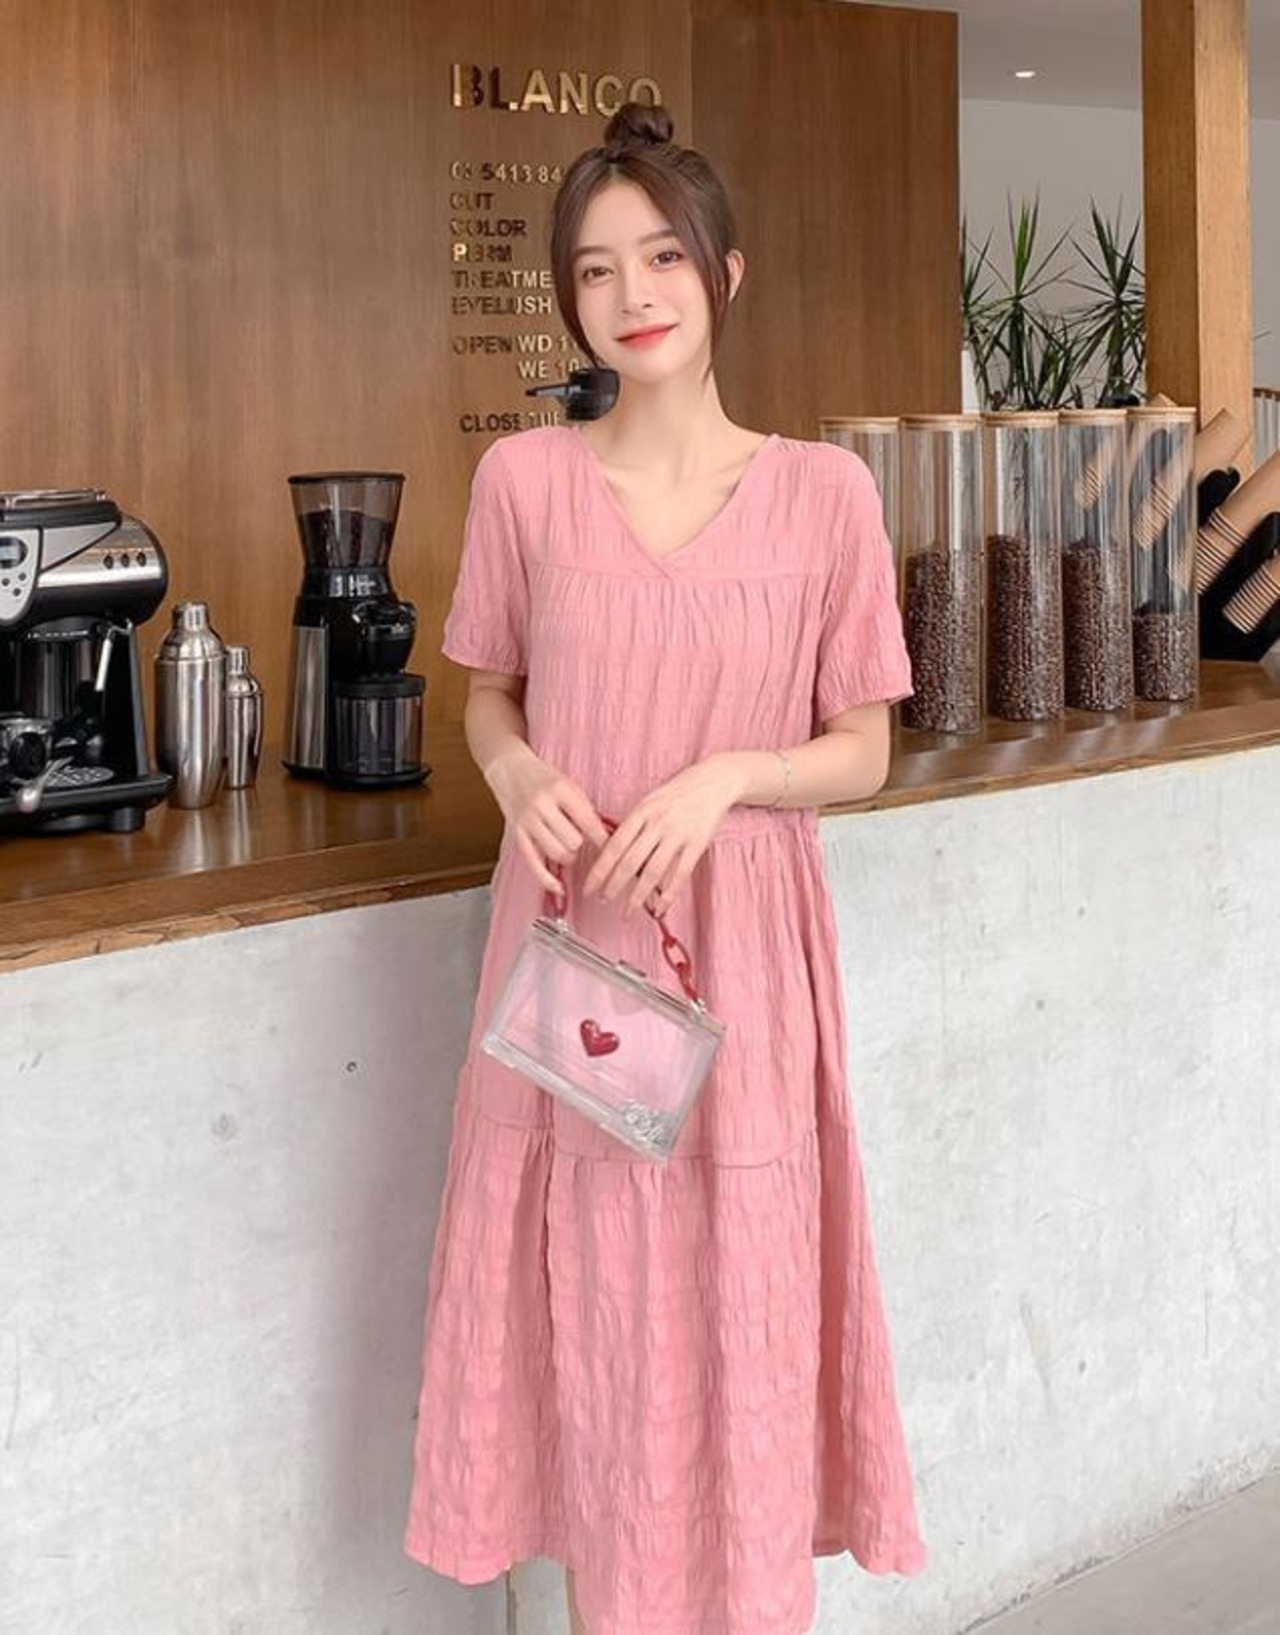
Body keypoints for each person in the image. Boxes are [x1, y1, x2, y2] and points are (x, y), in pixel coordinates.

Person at [404, 101, 926, 1635]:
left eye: (662, 259)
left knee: (737, 1290)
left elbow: (864, 748)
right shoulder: (525, 482)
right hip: (578, 953)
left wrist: (730, 776)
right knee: (602, 1301)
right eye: (595, 269)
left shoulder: (825, 493)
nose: (631, 294)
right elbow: (487, 696)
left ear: (725, 274)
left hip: (746, 953)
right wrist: (517, 775)